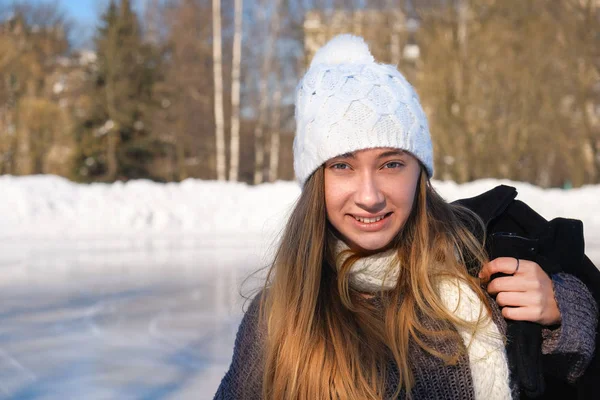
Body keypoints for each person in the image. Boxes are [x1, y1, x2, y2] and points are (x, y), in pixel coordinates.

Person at [214, 35, 598, 400]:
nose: (369, 197)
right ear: (317, 181)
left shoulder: (483, 270)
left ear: (421, 174)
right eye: (343, 166)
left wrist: (562, 314)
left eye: (391, 164)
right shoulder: (278, 318)